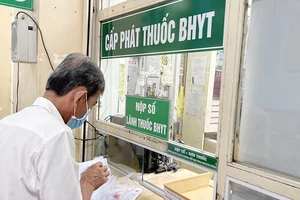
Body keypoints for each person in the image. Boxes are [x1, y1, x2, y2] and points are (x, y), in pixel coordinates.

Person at [0, 53, 109, 200]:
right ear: (80, 98)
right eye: (92, 105)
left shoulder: (7, 122)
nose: (88, 112)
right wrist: (87, 183)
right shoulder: (56, 134)